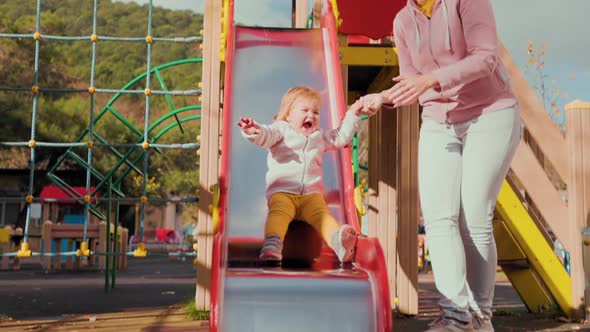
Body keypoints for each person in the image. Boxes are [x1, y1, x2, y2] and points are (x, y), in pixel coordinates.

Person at [362, 0, 522, 331]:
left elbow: (486, 57)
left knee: (474, 215)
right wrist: (382, 98)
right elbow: (410, 81)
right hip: (439, 120)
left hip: (489, 112)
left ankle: (480, 317)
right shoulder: (403, 20)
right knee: (438, 218)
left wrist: (433, 79)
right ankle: (456, 315)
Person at [238, 86, 369, 264]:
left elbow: (340, 137)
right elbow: (266, 135)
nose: (312, 115)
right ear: (288, 114)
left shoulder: (319, 136)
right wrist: (254, 131)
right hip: (283, 192)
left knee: (323, 216)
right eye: (305, 110)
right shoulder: (281, 130)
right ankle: (272, 245)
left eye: (316, 112)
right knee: (278, 214)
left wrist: (353, 113)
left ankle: (339, 243)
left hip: (311, 196)